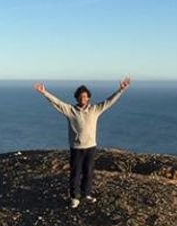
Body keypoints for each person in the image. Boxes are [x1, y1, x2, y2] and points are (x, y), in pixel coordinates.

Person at [34, 78, 131, 208]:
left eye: (85, 96)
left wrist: (121, 90)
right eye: (80, 96)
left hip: (91, 147)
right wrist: (44, 92)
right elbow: (57, 102)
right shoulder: (70, 111)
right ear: (77, 98)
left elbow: (109, 101)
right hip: (76, 147)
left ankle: (86, 194)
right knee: (75, 173)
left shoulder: (95, 109)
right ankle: (74, 197)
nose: (82, 98)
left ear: (88, 98)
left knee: (88, 172)